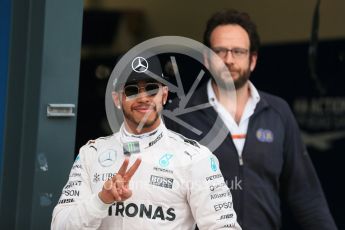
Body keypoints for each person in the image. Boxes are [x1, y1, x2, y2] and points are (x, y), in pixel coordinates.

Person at [164, 9, 337, 230]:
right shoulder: (179, 115)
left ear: (252, 60)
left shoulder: (277, 112)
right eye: (220, 51)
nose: (229, 59)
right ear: (206, 58)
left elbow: (306, 195)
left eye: (238, 51)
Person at [51, 54, 242, 229]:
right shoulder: (91, 154)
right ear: (117, 99)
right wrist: (102, 200)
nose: (143, 98)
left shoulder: (196, 158)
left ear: (164, 95)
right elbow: (59, 226)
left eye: (151, 89)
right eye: (132, 90)